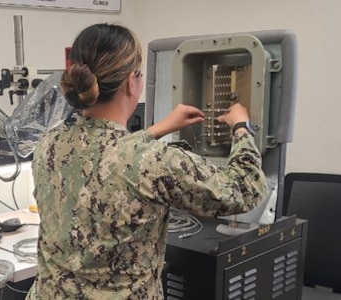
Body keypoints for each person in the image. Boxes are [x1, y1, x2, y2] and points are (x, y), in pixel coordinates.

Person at [26, 23, 268, 300]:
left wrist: (159, 128)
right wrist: (242, 128)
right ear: (132, 82)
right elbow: (246, 188)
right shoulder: (155, 162)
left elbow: (103, 154)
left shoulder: (49, 144)